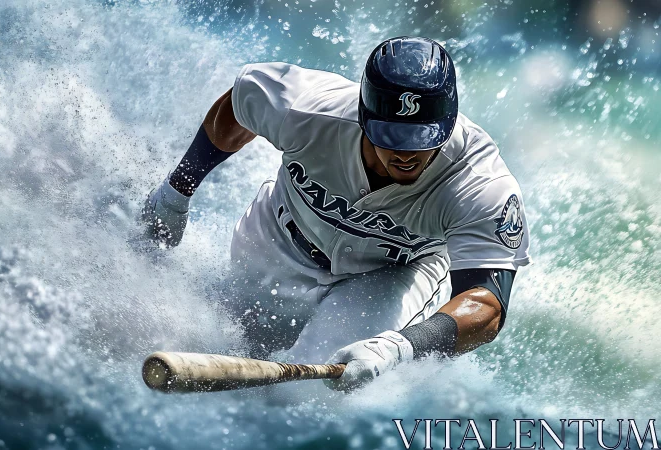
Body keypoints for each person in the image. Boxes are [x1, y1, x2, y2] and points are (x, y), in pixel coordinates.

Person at [142, 36, 530, 392]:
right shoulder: (308, 108)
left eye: (422, 138)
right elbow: (240, 102)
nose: (407, 154)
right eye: (392, 136)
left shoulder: (479, 182)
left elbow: (486, 305)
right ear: (363, 116)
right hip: (279, 237)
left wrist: (400, 347)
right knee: (230, 337)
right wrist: (177, 192)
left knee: (302, 397)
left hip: (389, 274)